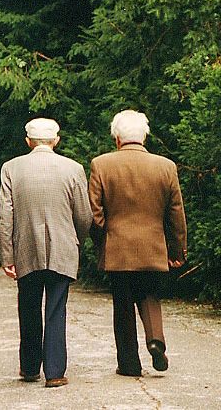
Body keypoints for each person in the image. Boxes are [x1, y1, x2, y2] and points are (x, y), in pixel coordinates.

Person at [88, 110, 187, 377]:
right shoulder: (166, 166)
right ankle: (156, 340)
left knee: (122, 304)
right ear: (144, 136)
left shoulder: (101, 164)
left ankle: (129, 364)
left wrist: (102, 243)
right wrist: (177, 250)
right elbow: (176, 213)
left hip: (117, 248)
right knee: (149, 294)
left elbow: (95, 214)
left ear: (117, 138)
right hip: (153, 246)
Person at [0, 118, 93, 388]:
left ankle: (29, 368)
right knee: (56, 308)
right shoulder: (73, 168)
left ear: (28, 142)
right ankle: (54, 372)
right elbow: (84, 216)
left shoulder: (11, 168)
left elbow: (6, 217)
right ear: (56, 141)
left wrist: (7, 256)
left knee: (27, 306)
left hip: (25, 248)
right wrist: (77, 242)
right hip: (63, 248)